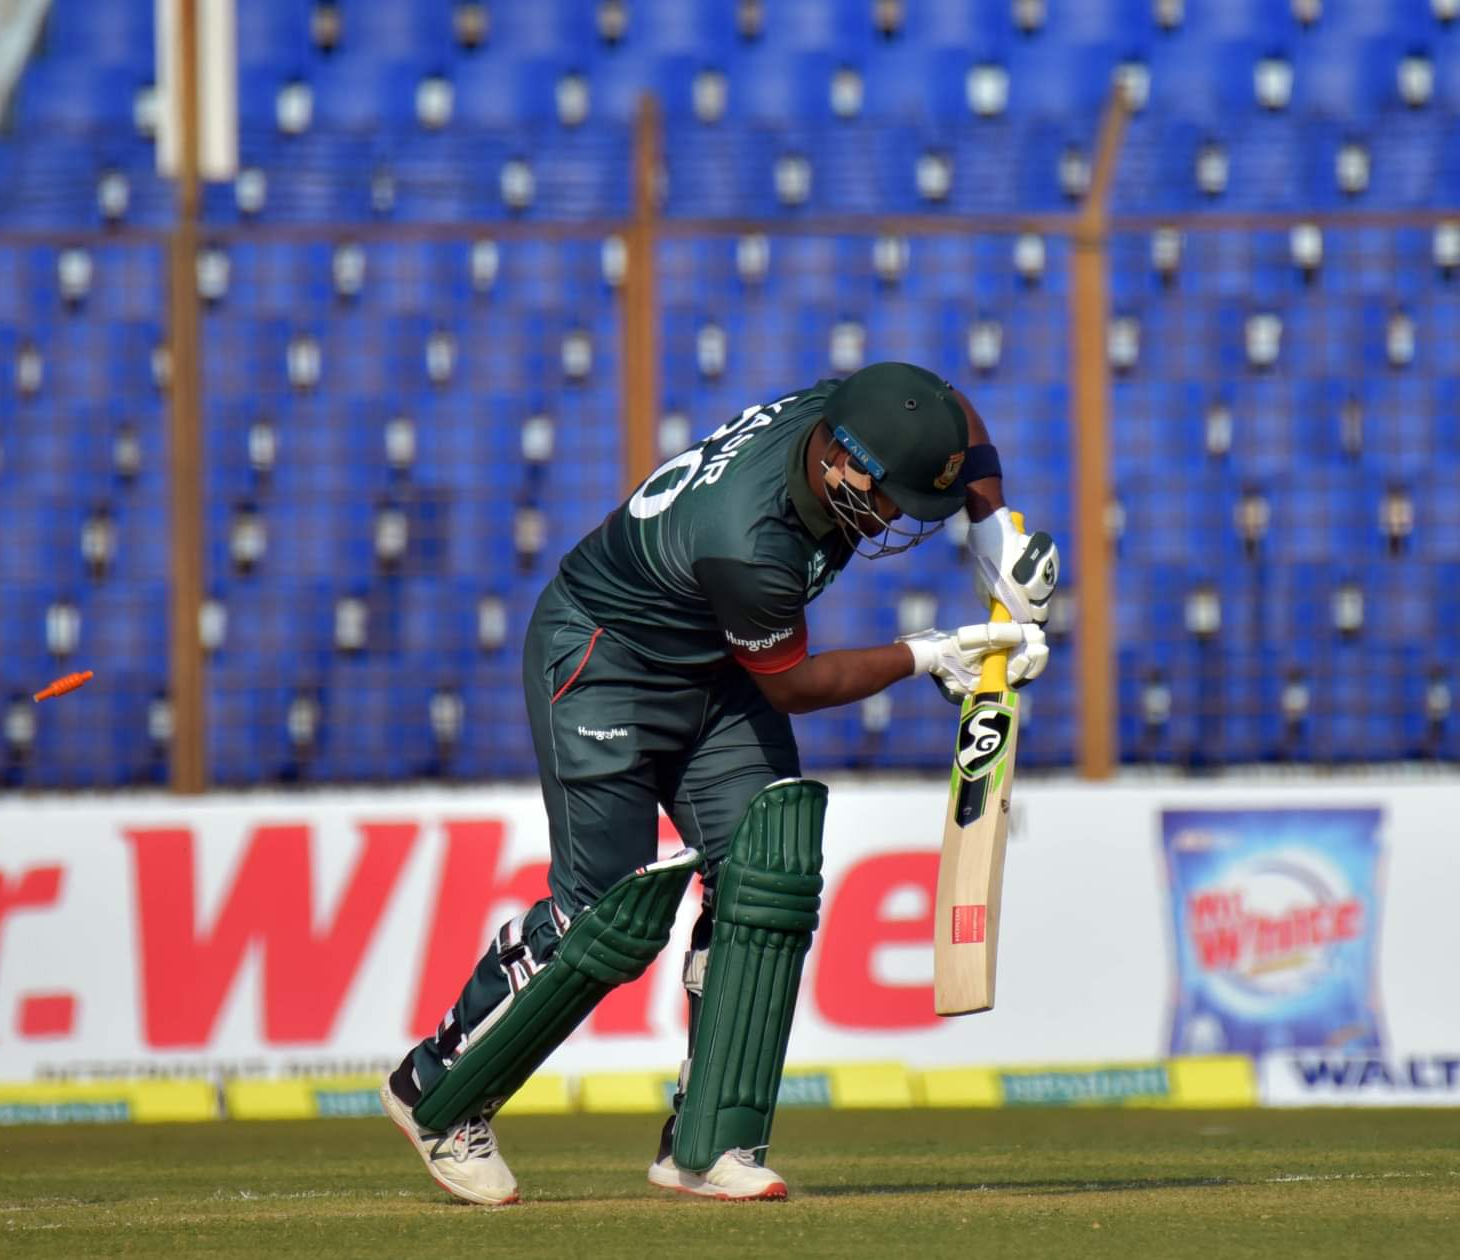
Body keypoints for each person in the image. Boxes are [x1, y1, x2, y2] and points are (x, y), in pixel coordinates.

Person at [380, 361, 1060, 1204]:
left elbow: (950, 407)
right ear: (840, 460)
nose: (894, 519)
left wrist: (991, 525)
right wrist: (931, 653)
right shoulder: (749, 537)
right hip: (604, 663)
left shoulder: (845, 413)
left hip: (713, 668)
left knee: (764, 873)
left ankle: (707, 1140)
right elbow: (795, 686)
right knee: (605, 913)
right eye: (892, 497)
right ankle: (434, 1089)